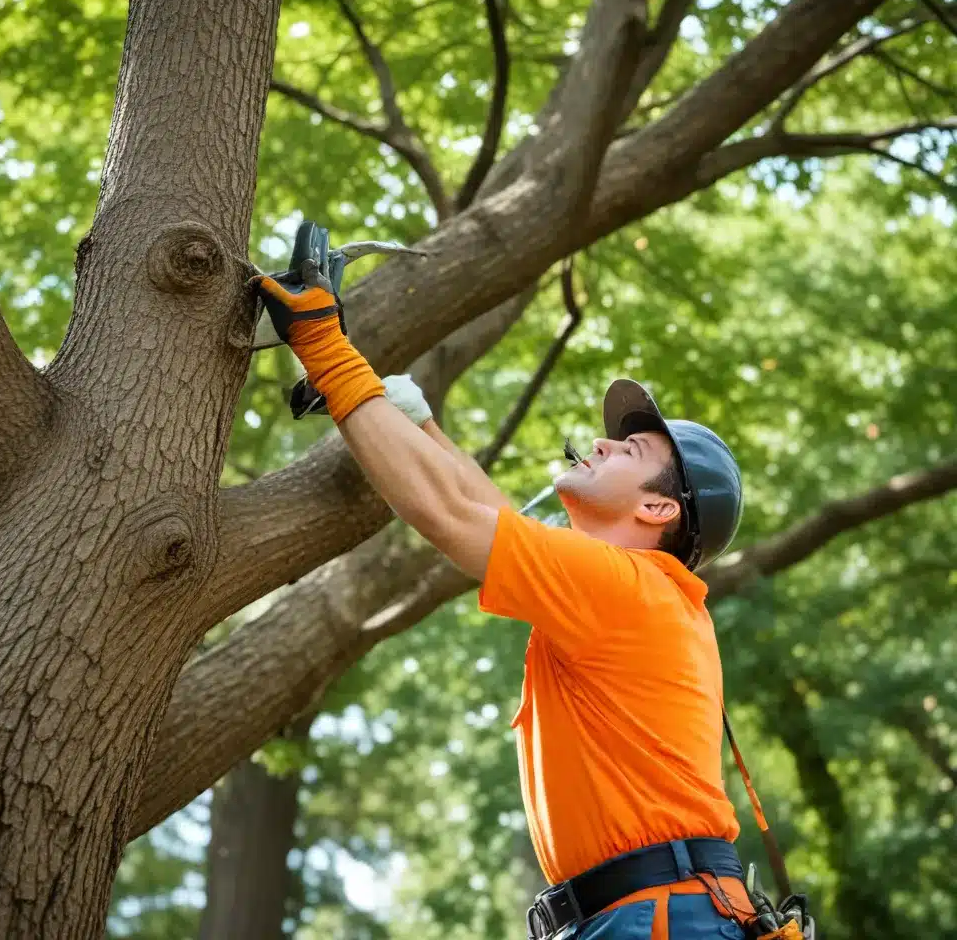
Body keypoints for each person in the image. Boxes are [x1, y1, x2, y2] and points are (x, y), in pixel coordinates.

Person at [254, 268, 755, 940]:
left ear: (659, 507)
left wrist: (324, 345)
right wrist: (418, 422)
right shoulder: (624, 591)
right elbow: (488, 514)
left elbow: (449, 513)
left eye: (628, 449)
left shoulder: (627, 587)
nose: (601, 442)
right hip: (655, 912)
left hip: (660, 918)